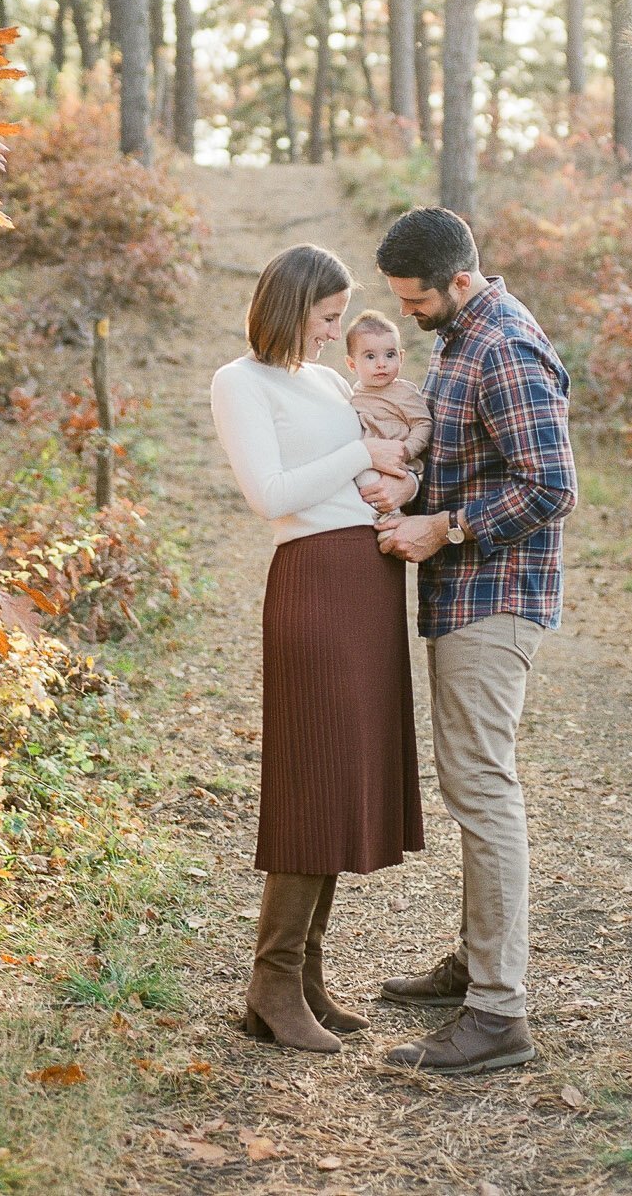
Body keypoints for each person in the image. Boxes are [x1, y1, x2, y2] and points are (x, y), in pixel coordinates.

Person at [373, 207, 576, 1075]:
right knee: (468, 783)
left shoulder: (504, 348)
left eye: (415, 300)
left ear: (459, 280)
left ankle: (497, 1013)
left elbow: (552, 485)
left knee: (483, 791)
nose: (406, 313)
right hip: (463, 593)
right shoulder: (460, 335)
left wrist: (445, 527)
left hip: (495, 597)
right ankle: (474, 962)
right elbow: (469, 458)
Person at [210, 244, 424, 1055]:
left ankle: (304, 976)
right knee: (310, 779)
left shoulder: (330, 383)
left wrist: (398, 483)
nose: (338, 333)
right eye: (327, 317)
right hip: (314, 582)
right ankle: (270, 983)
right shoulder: (241, 382)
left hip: (368, 581)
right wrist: (360, 455)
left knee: (338, 784)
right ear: (291, 306)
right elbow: (269, 495)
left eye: (340, 319)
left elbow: (378, 467)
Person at [345, 308, 432, 489]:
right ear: (352, 364)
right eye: (370, 356)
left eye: (390, 355)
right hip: (369, 460)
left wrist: (407, 450)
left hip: (399, 461)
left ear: (401, 358)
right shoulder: (355, 394)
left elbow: (423, 424)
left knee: (368, 481)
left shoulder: (404, 392)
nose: (381, 363)